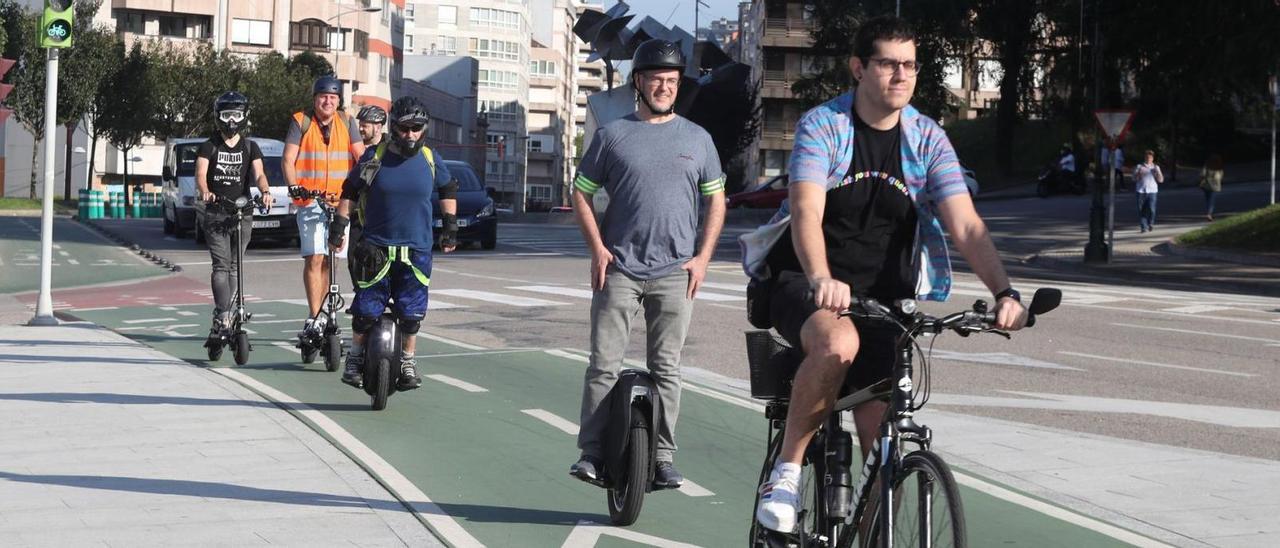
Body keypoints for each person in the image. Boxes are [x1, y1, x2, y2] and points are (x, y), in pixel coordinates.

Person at [749, 16, 1027, 533]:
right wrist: (821, 277)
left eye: (910, 65)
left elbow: (964, 223)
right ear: (859, 68)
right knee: (837, 346)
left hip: (885, 300)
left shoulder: (926, 138)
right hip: (807, 282)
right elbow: (806, 210)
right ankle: (786, 473)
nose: (901, 75)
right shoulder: (823, 125)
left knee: (886, 454)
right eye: (888, 64)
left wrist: (1004, 292)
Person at [567, 38, 727, 489]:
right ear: (638, 82)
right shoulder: (613, 135)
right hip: (619, 268)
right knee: (603, 364)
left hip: (675, 273)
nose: (664, 87)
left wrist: (703, 259)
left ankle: (661, 457)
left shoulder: (698, 139)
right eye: (656, 78)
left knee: (668, 368)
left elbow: (717, 200)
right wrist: (597, 247)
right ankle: (592, 454)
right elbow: (580, 192)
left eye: (672, 81)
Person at [331, 96, 455, 390]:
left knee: (411, 313)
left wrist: (450, 227)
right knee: (366, 311)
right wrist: (339, 226)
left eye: (416, 128)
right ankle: (355, 358)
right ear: (393, 127)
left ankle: (408, 361)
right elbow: (350, 190)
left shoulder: (430, 158)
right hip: (376, 246)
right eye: (404, 128)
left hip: (416, 249)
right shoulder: (376, 156)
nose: (410, 134)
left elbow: (448, 188)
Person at [283, 75, 366, 343]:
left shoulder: (347, 121)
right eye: (323, 96)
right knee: (314, 257)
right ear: (315, 99)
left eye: (332, 97)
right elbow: (288, 159)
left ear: (339, 101)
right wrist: (294, 186)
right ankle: (314, 314)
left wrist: (367, 182)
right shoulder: (301, 121)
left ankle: (324, 314)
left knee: (331, 260)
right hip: (310, 200)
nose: (327, 101)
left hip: (340, 202)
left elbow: (361, 156)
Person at [197, 91, 274, 346]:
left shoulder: (250, 147)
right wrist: (205, 192)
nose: (231, 121)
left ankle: (231, 312)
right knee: (221, 265)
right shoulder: (210, 145)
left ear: (244, 117)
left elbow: (259, 174)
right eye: (227, 114)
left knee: (235, 265)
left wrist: (265, 191)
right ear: (219, 116)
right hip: (217, 212)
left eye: (236, 115)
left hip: (242, 212)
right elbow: (201, 173)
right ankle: (223, 314)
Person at [1133, 149, 1164, 232]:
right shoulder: (1139, 167)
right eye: (1147, 157)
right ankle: (1144, 226)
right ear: (1145, 157)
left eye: (1150, 157)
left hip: (1152, 191)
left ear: (1152, 158)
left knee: (1151, 209)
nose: (1148, 159)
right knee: (1141, 209)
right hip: (1141, 191)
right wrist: (1138, 174)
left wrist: (1157, 173)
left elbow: (1161, 180)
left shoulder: (1156, 167)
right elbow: (1134, 179)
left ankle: (1151, 223)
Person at [1199, 153, 1224, 221]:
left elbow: (1202, 174)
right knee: (1212, 201)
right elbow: (1220, 177)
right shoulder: (1219, 167)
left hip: (1206, 185)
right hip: (1214, 186)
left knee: (1208, 200)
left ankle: (1209, 212)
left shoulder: (1206, 166)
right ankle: (1209, 214)